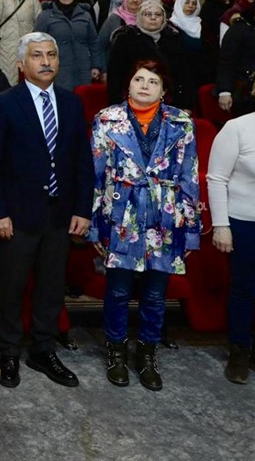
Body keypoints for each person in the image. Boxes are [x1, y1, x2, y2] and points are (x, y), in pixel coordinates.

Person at [0, 33, 93, 389]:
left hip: (60, 213)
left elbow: (82, 161)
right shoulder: (4, 103)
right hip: (16, 215)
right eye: (37, 55)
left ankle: (43, 349)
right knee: (12, 286)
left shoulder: (71, 103)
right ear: (21, 63)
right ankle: (9, 350)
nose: (45, 61)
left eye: (51, 55)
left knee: (51, 286)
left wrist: (83, 209)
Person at [89, 60, 201, 391]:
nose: (144, 86)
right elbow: (96, 175)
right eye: (139, 79)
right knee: (118, 289)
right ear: (128, 84)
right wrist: (94, 225)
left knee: (154, 293)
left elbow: (190, 177)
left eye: (153, 82)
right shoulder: (106, 119)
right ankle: (116, 351)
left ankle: (147, 354)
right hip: (120, 214)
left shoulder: (181, 122)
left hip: (164, 217)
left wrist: (189, 230)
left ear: (163, 91)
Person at [208, 66, 255, 385]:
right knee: (245, 289)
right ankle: (238, 351)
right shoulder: (238, 128)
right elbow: (216, 179)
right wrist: (221, 225)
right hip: (246, 222)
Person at [34, 0, 99, 91]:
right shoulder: (46, 16)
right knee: (61, 97)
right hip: (56, 68)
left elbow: (94, 43)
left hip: (82, 68)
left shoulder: (85, 15)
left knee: (82, 98)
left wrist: (96, 66)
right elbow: (36, 44)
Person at [97, 0, 145, 69]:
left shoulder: (146, 19)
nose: (135, 0)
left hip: (140, 70)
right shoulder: (114, 18)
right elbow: (100, 46)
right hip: (115, 68)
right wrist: (103, 70)